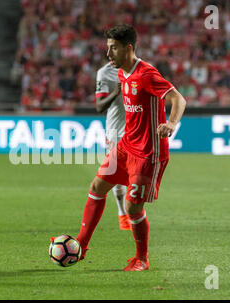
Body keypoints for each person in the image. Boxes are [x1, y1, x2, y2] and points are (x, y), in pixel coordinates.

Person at [75, 25, 186, 271]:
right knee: (97, 186)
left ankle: (142, 259)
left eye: (113, 48)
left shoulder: (146, 74)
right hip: (126, 145)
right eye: (108, 48)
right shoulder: (122, 73)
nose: (108, 54)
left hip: (148, 151)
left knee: (132, 206)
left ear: (129, 48)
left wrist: (171, 123)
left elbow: (178, 98)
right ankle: (81, 246)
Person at [95, 61, 130, 230]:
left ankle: (134, 213)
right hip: (116, 131)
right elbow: (99, 106)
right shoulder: (104, 73)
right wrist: (116, 92)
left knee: (138, 173)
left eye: (114, 47)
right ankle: (123, 213)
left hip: (137, 130)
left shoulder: (141, 68)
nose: (110, 53)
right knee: (116, 173)